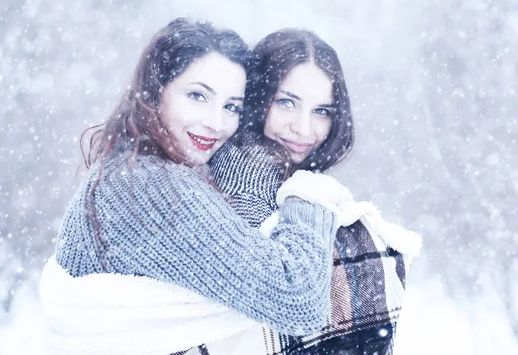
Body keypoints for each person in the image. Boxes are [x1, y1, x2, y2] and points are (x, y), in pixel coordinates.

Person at [39, 18, 353, 355]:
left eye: (230, 106)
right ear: (156, 90)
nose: (216, 123)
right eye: (197, 96)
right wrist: (310, 194)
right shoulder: (150, 185)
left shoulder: (134, 165)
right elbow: (297, 300)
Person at [209, 29, 421, 355]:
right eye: (286, 103)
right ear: (255, 98)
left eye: (321, 111)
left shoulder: (282, 174)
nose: (304, 129)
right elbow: (287, 299)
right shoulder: (245, 177)